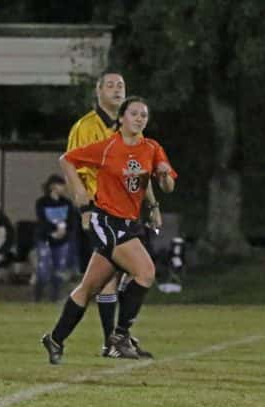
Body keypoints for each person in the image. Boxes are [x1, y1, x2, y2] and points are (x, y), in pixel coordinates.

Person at [41, 96, 177, 364]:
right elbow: (66, 159)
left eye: (144, 115)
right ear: (122, 118)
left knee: (89, 288)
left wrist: (162, 177)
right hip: (107, 221)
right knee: (145, 271)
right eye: (134, 113)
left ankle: (55, 339)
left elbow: (168, 185)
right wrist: (78, 189)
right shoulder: (107, 147)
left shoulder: (151, 148)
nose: (139, 118)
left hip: (131, 223)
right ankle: (120, 335)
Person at [67, 71, 161, 357]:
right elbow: (73, 168)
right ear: (98, 92)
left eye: (121, 85)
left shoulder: (132, 127)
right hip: (99, 211)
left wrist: (153, 206)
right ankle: (115, 341)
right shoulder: (85, 127)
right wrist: (84, 208)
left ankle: (114, 340)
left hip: (127, 213)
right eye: (110, 85)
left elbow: (139, 172)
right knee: (112, 276)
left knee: (106, 278)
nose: (117, 89)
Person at [34, 175, 77, 302]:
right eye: (61, 185)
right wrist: (54, 230)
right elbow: (42, 220)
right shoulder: (42, 202)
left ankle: (55, 296)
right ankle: (38, 297)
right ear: (52, 186)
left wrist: (64, 232)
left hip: (62, 241)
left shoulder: (67, 203)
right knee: (44, 269)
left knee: (59, 270)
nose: (64, 188)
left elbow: (72, 221)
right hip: (45, 240)